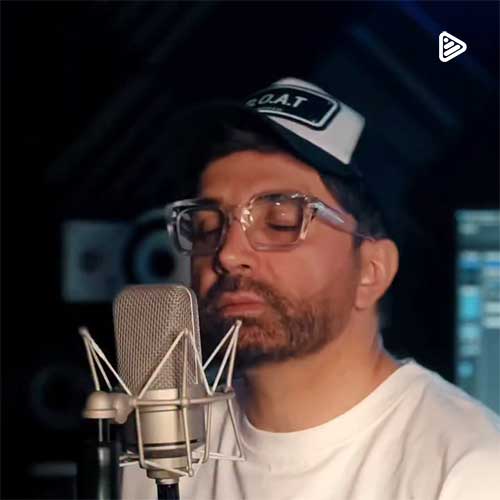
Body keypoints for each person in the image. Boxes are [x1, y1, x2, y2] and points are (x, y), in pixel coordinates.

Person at [122, 78, 500, 499]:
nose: (227, 254)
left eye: (280, 222)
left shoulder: (468, 472)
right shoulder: (155, 462)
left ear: (371, 271)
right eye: (208, 226)